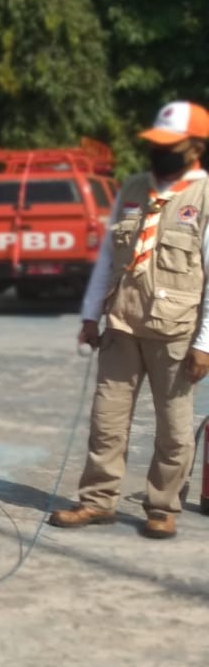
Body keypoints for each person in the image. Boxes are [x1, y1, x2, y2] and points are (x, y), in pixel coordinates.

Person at [51, 101, 209, 539]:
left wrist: (205, 343)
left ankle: (162, 505)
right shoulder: (134, 188)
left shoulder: (205, 196)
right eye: (155, 144)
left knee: (174, 428)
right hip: (121, 324)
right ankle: (97, 501)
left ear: (195, 146)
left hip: (175, 333)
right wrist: (89, 314)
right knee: (107, 419)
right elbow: (107, 256)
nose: (159, 153)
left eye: (168, 145)